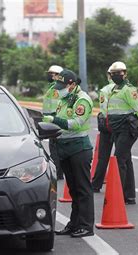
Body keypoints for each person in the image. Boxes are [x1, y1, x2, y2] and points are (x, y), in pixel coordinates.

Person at [42, 69, 94, 237]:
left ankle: (86, 226)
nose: (60, 88)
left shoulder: (82, 100)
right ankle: (74, 223)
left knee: (83, 189)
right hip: (64, 147)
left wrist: (54, 120)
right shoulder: (64, 99)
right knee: (73, 190)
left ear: (72, 84)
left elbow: (76, 123)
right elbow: (59, 118)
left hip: (79, 148)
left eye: (63, 85)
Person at [106, 61, 138, 205]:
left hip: (126, 129)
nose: (116, 75)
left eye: (119, 73)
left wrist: (137, 129)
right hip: (116, 128)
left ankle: (118, 194)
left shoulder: (129, 90)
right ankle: (129, 196)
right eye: (113, 73)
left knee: (118, 160)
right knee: (126, 160)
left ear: (125, 74)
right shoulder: (114, 89)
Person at [91, 65, 116, 193]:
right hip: (122, 127)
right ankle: (125, 189)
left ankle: (96, 184)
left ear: (108, 76)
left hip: (108, 126)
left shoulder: (105, 90)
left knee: (103, 157)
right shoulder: (128, 89)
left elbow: (104, 109)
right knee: (124, 159)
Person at [42, 65, 64, 180]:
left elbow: (56, 107)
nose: (49, 76)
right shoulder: (52, 87)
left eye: (51, 74)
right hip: (50, 121)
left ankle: (57, 172)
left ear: (57, 76)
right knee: (55, 149)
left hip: (54, 122)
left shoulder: (57, 89)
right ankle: (58, 172)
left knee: (55, 149)